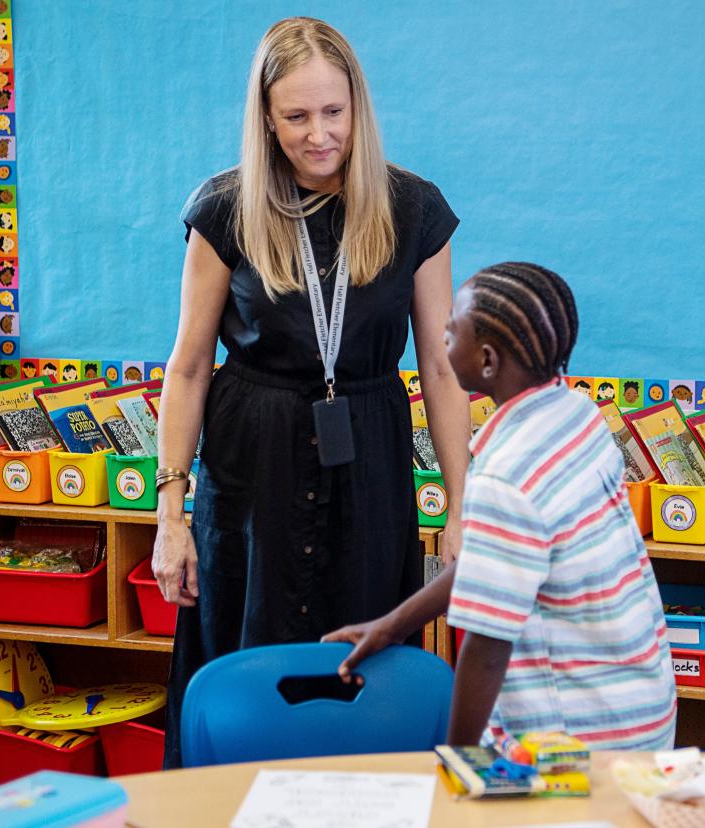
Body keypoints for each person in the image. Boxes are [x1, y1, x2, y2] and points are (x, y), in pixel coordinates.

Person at [151, 17, 470, 767]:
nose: (318, 134)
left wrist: (462, 509)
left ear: (358, 107)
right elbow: (190, 365)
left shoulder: (414, 210)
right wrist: (170, 514)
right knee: (242, 648)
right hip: (250, 464)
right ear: (266, 117)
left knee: (368, 658)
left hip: (370, 459)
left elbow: (443, 368)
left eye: (333, 113)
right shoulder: (224, 209)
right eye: (296, 117)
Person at [324, 262, 677, 751]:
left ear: (487, 361)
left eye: (452, 332)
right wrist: (393, 625)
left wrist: (457, 760)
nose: (442, 338)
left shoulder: (506, 478)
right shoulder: (577, 418)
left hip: (574, 737)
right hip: (638, 705)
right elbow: (488, 566)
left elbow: (486, 650)